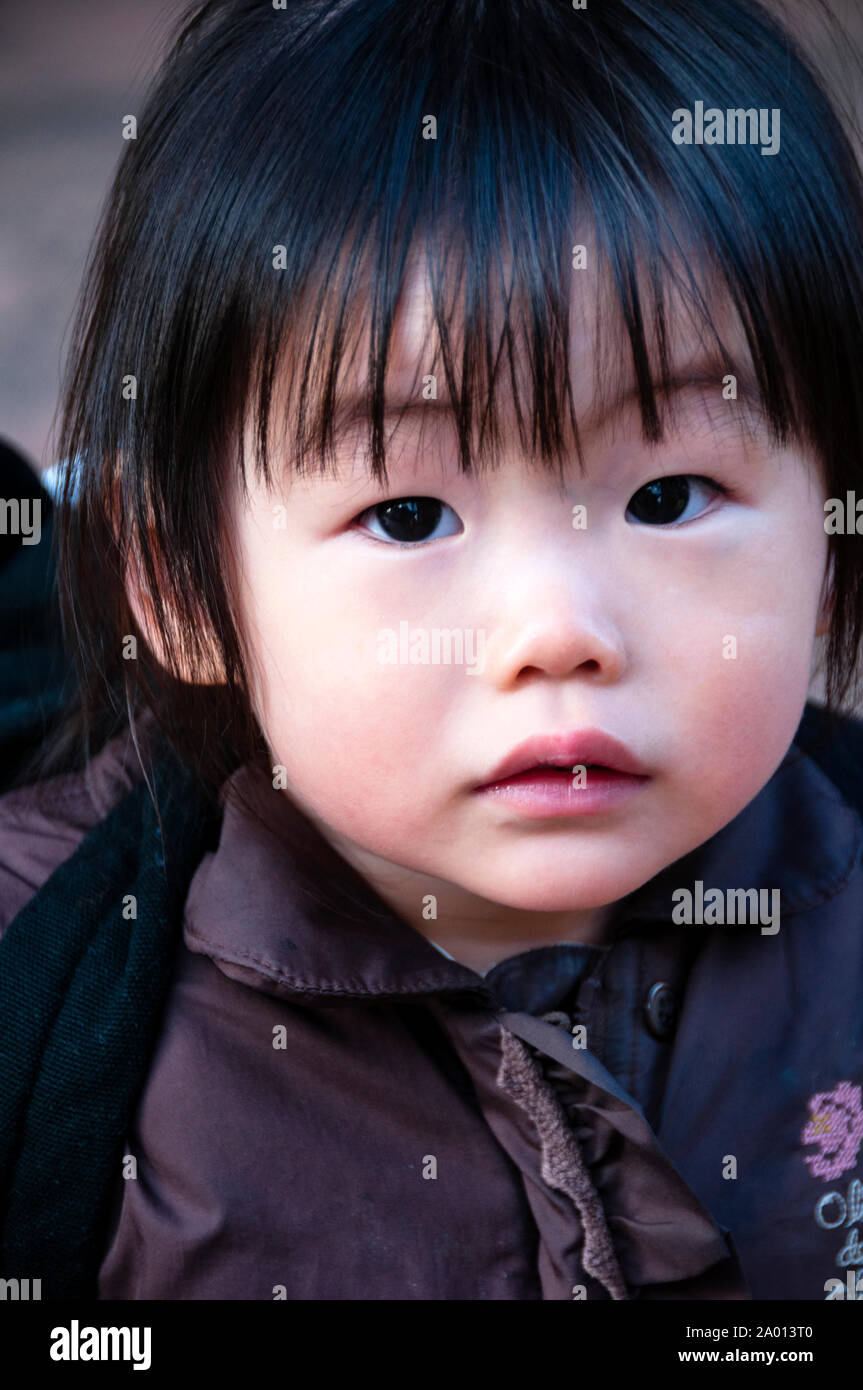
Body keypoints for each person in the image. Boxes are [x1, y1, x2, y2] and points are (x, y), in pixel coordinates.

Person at [1, 0, 863, 1301]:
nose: (560, 632)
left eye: (670, 495)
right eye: (410, 515)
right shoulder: (51, 996)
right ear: (178, 580)